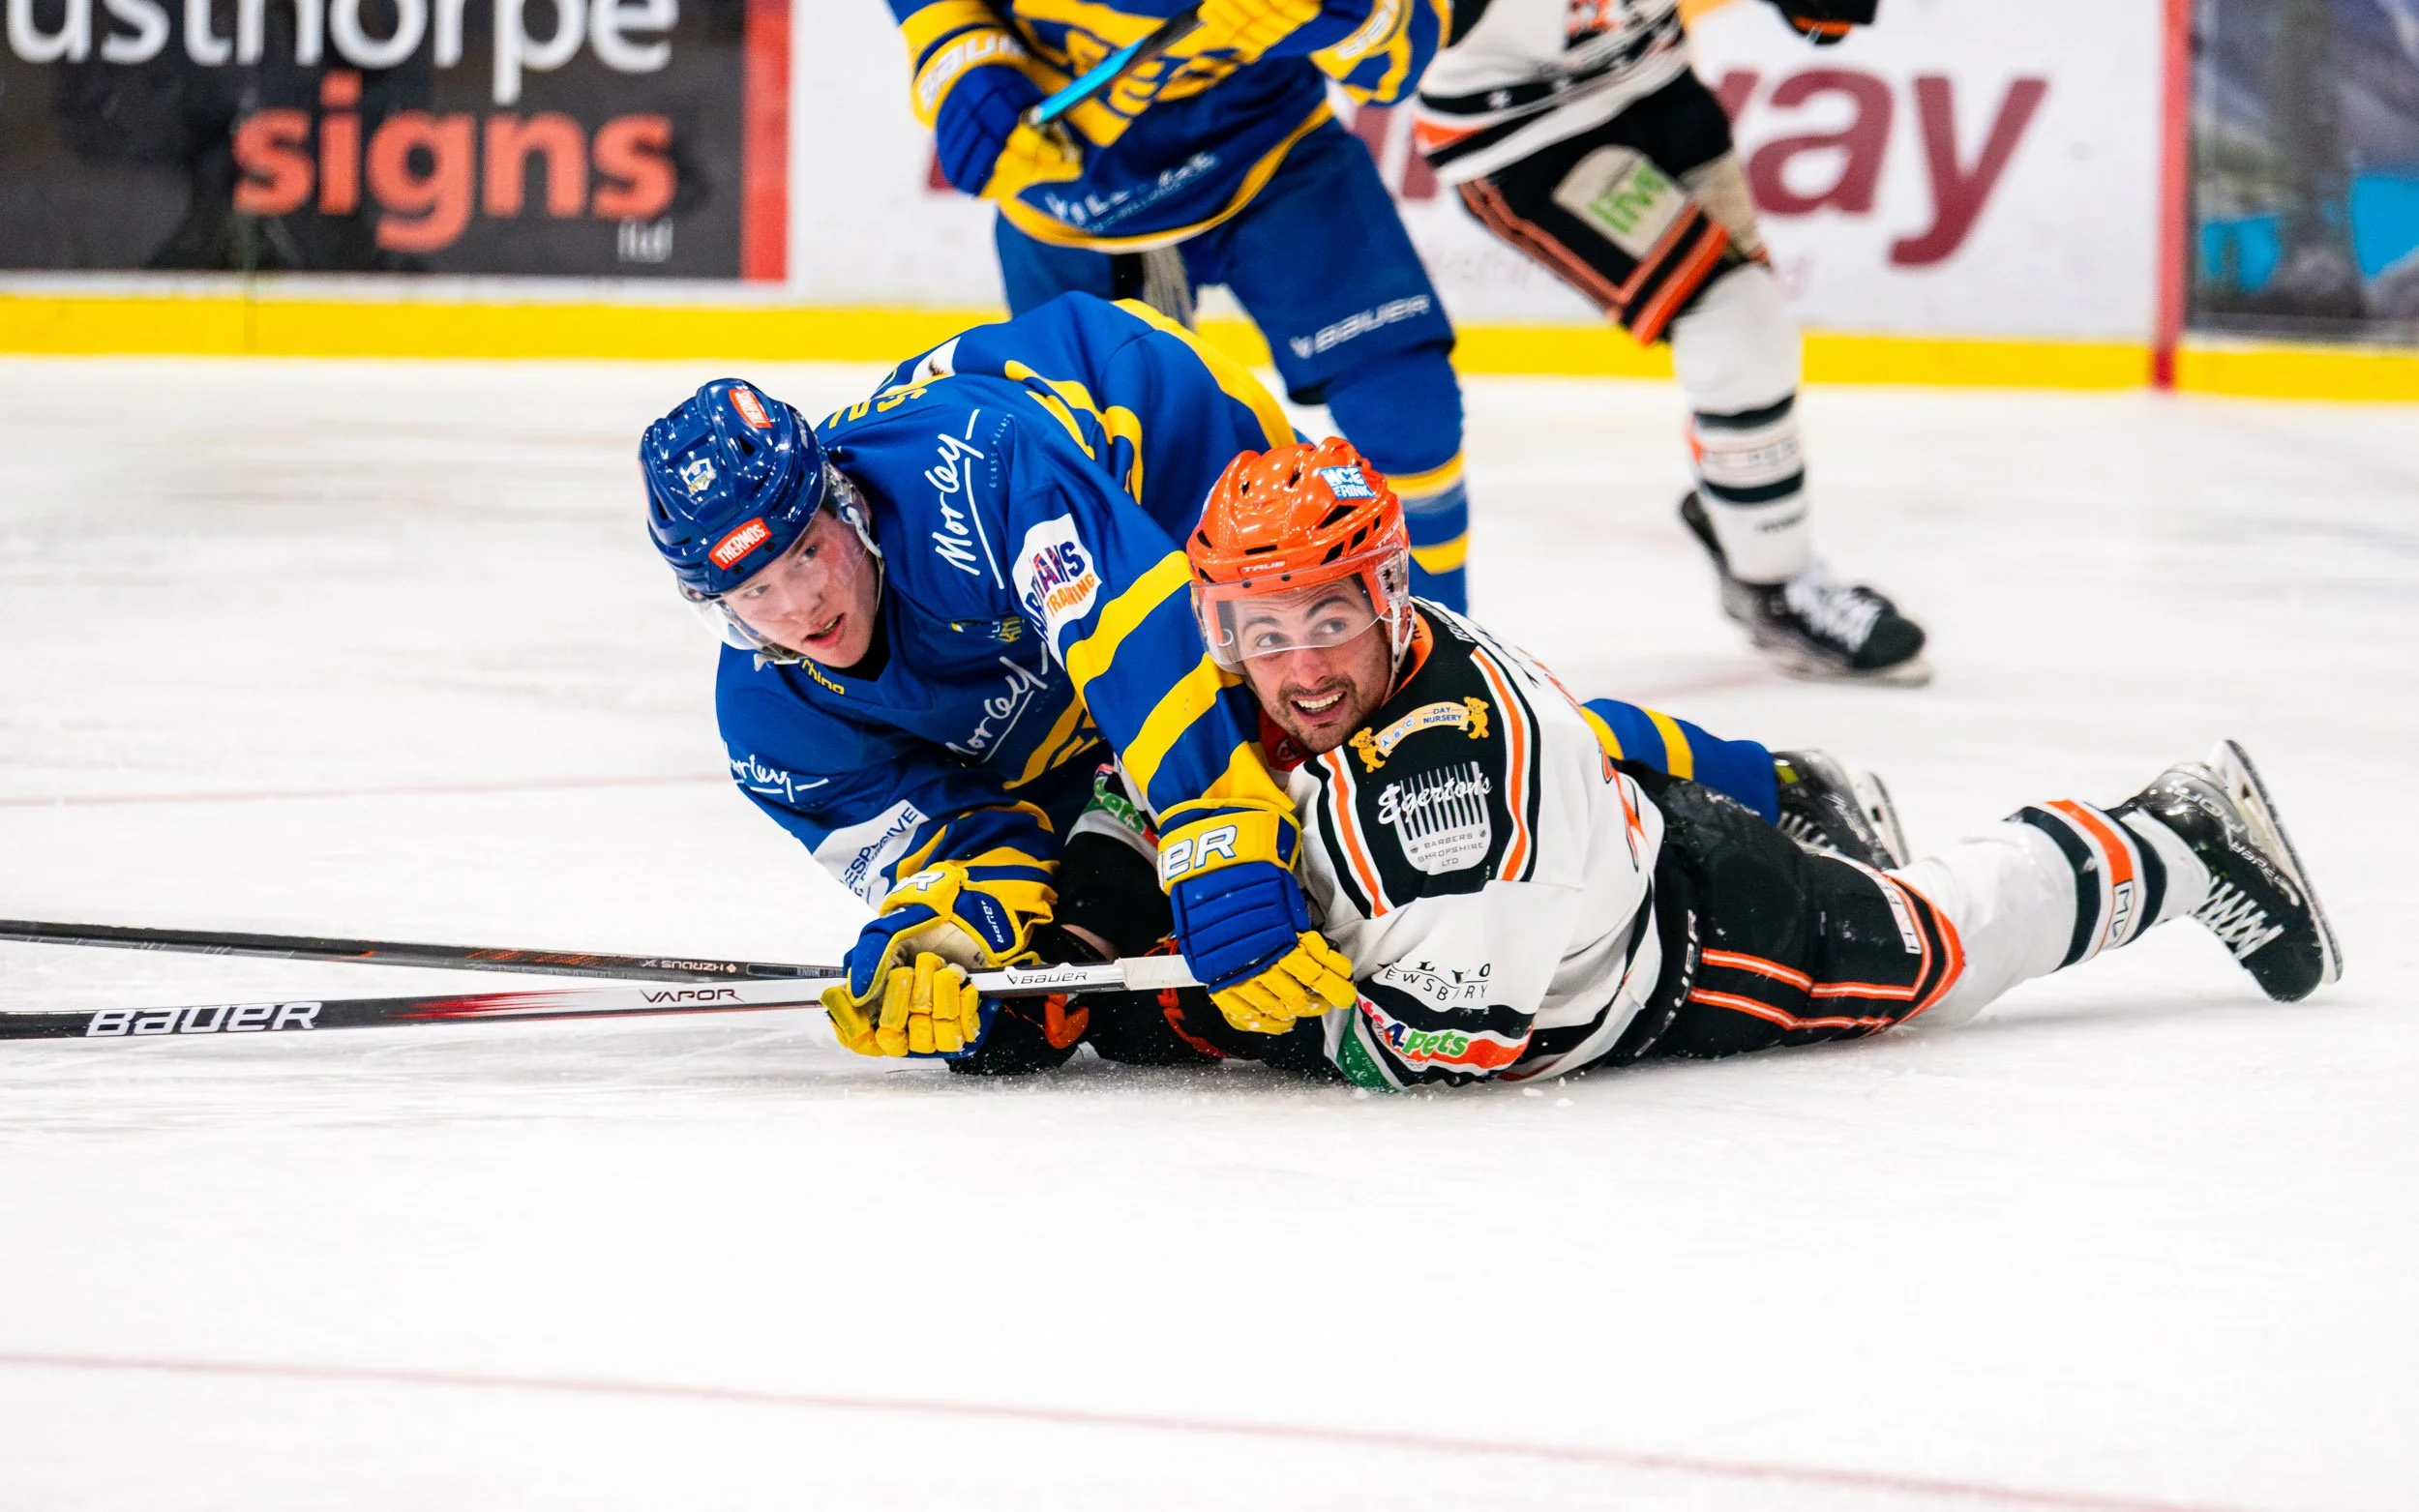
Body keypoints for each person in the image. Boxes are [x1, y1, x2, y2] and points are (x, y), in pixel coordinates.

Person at [634, 292, 1849, 1074]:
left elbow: (1136, 647)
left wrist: (1217, 844)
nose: (798, 606)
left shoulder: (974, 470)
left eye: (807, 552)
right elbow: (960, 837)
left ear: (841, 499)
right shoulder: (773, 726)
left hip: (1168, 457)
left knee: (1353, 716)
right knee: (1063, 938)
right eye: (752, 592)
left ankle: (1767, 781)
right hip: (1041, 659)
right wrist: (945, 932)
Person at [1054, 439, 2339, 1086]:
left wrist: (1172, 1012)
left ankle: (2177, 836)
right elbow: (1152, 789)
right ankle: (1806, 791)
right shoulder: (1286, 680)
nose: (1298, 668)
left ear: (1387, 599)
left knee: (1941, 946)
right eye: (1261, 630)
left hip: (1693, 944)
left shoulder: (1459, 807)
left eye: (1327, 620)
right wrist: (1086, 923)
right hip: (1605, 837)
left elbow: (1447, 1042)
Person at [889, 0, 1483, 608]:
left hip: (1267, 141)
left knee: (1405, 411)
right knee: (1101, 488)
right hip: (1073, 200)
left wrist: (1362, 19)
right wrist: (960, 56)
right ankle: (1169, 664)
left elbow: (1401, 51)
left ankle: (1441, 641)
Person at [1409, 0, 1928, 682]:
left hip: (1656, 82)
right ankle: (1776, 584)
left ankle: (1752, 536)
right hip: (1519, 133)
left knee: (1752, 332)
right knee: (1735, 319)